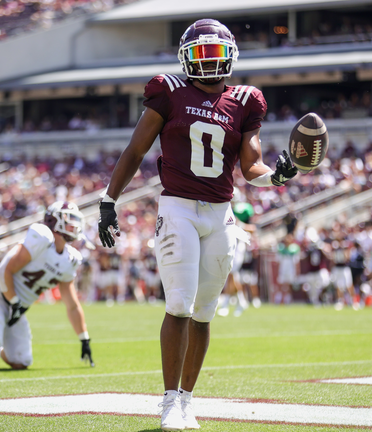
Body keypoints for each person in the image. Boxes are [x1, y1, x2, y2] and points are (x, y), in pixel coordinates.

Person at [96, 18, 298, 432]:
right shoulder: (168, 92)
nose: (208, 64)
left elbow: (250, 165)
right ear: (186, 58)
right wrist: (108, 198)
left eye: (216, 55)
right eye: (201, 55)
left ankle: (188, 400)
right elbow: (136, 150)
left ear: (231, 58)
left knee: (205, 312)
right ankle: (169, 401)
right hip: (178, 208)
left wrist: (275, 176)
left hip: (221, 212)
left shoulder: (245, 100)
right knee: (179, 304)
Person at [0, 201, 95, 370]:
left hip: (17, 308)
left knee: (21, 362)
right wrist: (14, 302)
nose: (74, 225)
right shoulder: (42, 238)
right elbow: (4, 271)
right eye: (68, 219)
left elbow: (72, 305)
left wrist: (84, 338)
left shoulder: (70, 259)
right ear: (54, 221)